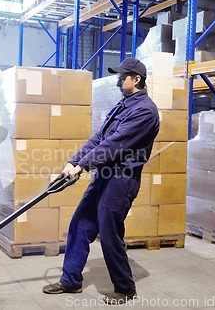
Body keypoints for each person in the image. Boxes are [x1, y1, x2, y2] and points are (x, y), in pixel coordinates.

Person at [42, 58, 160, 305]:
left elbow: (115, 145)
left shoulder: (145, 111)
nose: (118, 81)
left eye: (122, 77)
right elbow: (99, 138)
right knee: (80, 224)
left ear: (136, 79)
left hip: (121, 180)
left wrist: (83, 165)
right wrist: (73, 162)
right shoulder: (123, 105)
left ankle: (125, 288)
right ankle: (71, 281)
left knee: (109, 233)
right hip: (104, 175)